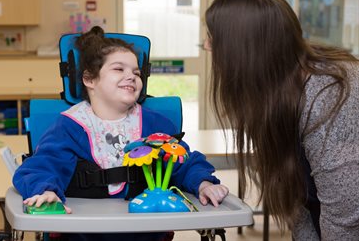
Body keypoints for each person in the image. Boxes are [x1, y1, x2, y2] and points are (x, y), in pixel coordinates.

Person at [13, 26, 229, 241]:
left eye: (136, 72)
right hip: (84, 234)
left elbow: (184, 162)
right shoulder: (70, 126)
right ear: (89, 79)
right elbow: (40, 167)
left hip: (146, 234)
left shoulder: (155, 124)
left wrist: (204, 183)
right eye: (119, 69)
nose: (131, 76)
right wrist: (45, 191)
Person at [204, 0, 359, 241]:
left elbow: (346, 218)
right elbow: (297, 199)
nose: (208, 45)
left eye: (214, 37)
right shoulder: (277, 91)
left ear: (245, 49)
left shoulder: (330, 93)